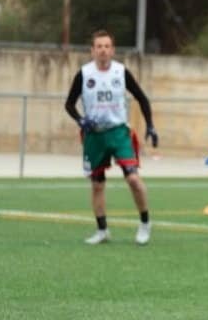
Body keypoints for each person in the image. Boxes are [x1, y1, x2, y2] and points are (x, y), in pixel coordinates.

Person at [64, 29, 158, 245]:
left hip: (118, 133)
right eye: (99, 46)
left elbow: (142, 99)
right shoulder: (84, 74)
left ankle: (145, 223)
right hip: (94, 136)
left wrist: (150, 126)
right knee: (97, 185)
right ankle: (102, 230)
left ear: (113, 50)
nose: (103, 50)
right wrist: (80, 120)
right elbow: (69, 104)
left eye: (107, 46)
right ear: (92, 50)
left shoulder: (121, 72)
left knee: (133, 179)